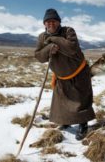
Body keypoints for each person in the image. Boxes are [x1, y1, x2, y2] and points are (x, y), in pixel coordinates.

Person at [34, 8, 95, 140]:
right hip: (61, 76)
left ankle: (83, 125)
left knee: (80, 101)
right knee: (62, 103)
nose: (51, 24)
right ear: (44, 24)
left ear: (59, 22)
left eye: (54, 21)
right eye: (48, 22)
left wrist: (54, 40)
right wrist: (49, 49)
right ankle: (66, 122)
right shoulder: (42, 37)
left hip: (78, 73)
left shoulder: (68, 31)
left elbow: (72, 48)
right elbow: (39, 56)